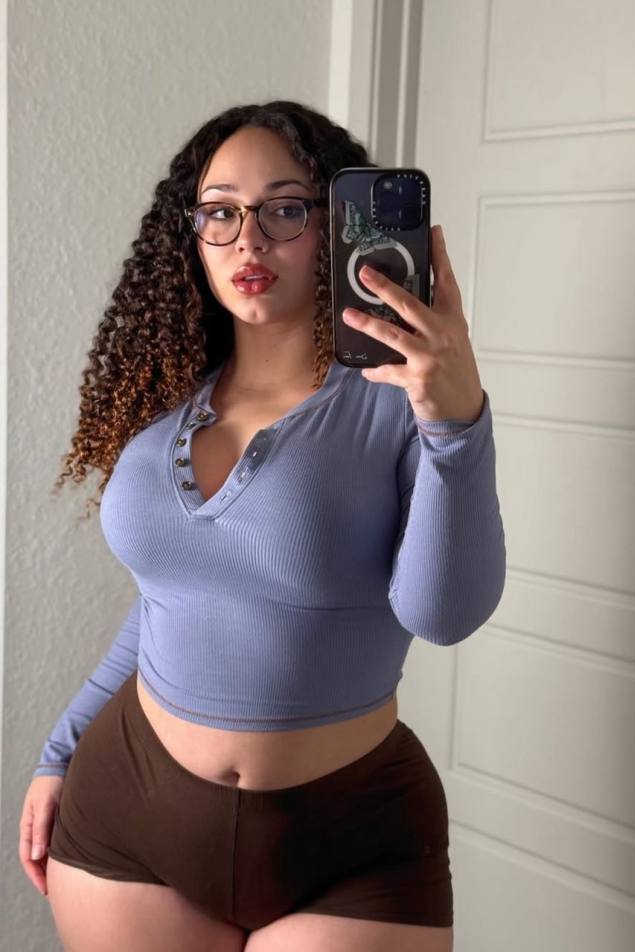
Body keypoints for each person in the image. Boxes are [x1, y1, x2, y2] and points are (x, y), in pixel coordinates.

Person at [18, 100, 506, 952]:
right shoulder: (162, 393)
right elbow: (168, 603)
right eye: (220, 213)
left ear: (340, 225)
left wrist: (455, 423)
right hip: (126, 819)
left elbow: (442, 613)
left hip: (351, 843)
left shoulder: (404, 399)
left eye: (285, 209)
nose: (248, 241)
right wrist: (59, 753)